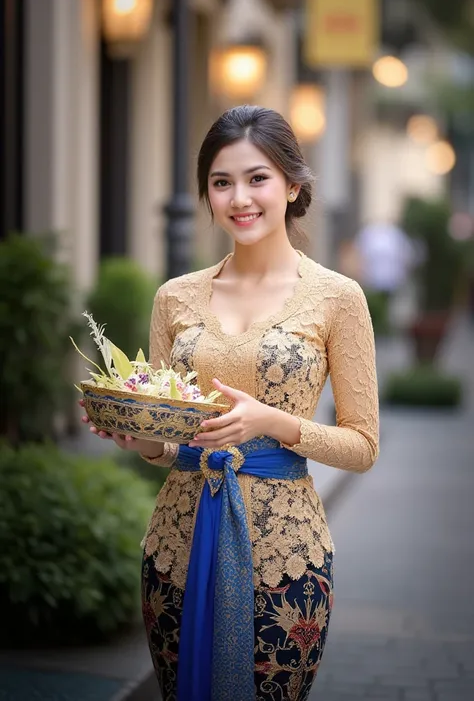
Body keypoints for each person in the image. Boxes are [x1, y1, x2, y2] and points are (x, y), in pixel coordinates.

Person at [80, 105, 379, 701]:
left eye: (257, 178)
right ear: (208, 196)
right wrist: (134, 432)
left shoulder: (338, 299)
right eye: (221, 182)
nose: (239, 197)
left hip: (285, 555)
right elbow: (166, 442)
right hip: (176, 548)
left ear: (293, 186)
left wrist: (273, 422)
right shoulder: (175, 298)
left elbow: (364, 446)